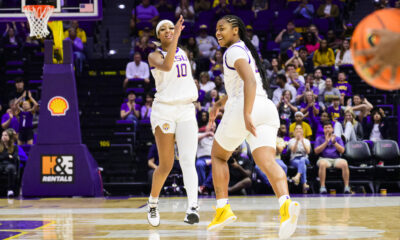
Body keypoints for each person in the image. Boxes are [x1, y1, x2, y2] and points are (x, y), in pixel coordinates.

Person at [207, 15, 300, 239]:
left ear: (236, 30)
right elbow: (239, 86)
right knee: (266, 161)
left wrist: (246, 113)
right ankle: (285, 205)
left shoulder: (232, 51)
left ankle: (222, 209)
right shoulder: (244, 50)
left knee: (219, 156)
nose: (218, 33)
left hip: (246, 107)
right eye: (216, 29)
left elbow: (248, 81)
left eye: (222, 28)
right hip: (266, 108)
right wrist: (218, 104)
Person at [146, 16, 199, 226]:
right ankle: (152, 203)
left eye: (171, 27)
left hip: (185, 109)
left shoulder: (183, 52)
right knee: (166, 164)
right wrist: (176, 36)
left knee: (187, 160)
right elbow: (167, 67)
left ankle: (192, 207)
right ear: (158, 36)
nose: (168, 30)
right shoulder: (153, 56)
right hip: (164, 111)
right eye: (163, 29)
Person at [314, 121, 350, 194]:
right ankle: (322, 187)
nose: (327, 129)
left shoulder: (338, 138)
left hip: (336, 159)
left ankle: (346, 187)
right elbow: (316, 151)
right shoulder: (319, 138)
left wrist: (334, 142)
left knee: (344, 163)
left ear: (332, 129)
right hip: (324, 159)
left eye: (329, 127)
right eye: (325, 128)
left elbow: (342, 151)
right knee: (322, 164)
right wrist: (326, 142)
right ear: (323, 129)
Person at [288, 125, 311, 193]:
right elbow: (293, 150)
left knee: (303, 160)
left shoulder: (306, 141)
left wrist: (302, 141)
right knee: (302, 165)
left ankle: (297, 176)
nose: (298, 130)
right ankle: (304, 184)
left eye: (300, 128)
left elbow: (308, 151)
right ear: (294, 132)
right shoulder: (291, 141)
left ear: (303, 131)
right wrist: (297, 141)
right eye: (296, 129)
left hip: (305, 159)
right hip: (294, 159)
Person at [0, 128, 19, 198]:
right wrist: (8, 156)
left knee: (11, 169)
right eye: (2, 135)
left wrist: (4, 156)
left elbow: (15, 157)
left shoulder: (15, 147)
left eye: (6, 135)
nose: (3, 137)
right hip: (1, 164)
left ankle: (10, 190)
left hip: (10, 164)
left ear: (10, 137)